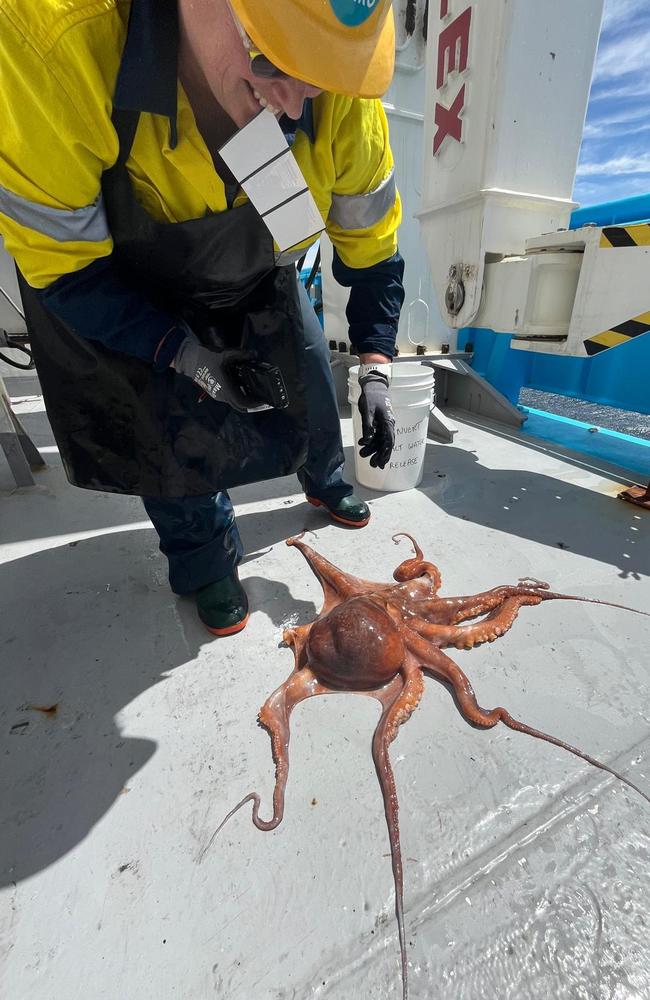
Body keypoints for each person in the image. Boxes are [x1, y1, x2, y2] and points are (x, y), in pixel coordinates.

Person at [0, 0, 405, 636]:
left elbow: (375, 250)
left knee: (309, 379)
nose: (295, 106)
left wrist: (377, 368)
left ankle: (323, 478)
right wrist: (183, 354)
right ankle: (205, 559)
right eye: (272, 58)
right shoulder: (52, 41)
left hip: (258, 263)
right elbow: (66, 272)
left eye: (319, 80)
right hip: (132, 283)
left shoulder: (335, 89)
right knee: (166, 431)